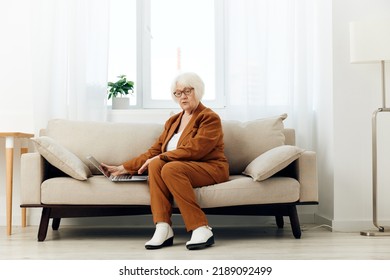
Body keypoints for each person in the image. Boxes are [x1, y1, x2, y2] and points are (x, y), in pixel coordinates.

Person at [101, 72, 229, 250]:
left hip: (210, 168)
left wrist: (162, 157)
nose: (182, 96)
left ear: (197, 91)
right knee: (156, 164)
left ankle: (200, 227)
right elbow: (154, 151)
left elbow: (196, 149)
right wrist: (123, 168)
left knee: (169, 168)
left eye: (187, 91)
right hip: (179, 167)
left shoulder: (209, 117)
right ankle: (163, 227)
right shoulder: (173, 121)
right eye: (178, 93)